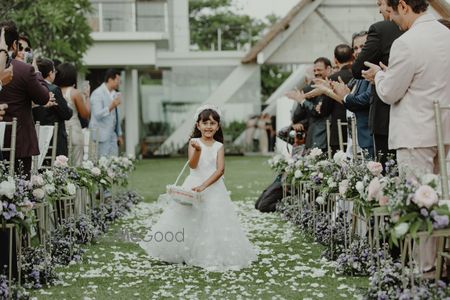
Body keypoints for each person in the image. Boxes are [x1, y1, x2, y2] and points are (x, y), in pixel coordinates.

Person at [363, 0, 450, 274]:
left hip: (415, 133)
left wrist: (379, 76)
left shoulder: (406, 42)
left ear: (402, 5)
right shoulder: (447, 35)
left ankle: (425, 269)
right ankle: (444, 265)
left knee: (419, 203)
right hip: (445, 128)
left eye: (389, 9)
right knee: (443, 201)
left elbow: (390, 92)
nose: (389, 18)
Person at [140, 105, 257, 272]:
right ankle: (182, 252)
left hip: (213, 187)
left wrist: (204, 185)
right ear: (198, 125)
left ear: (218, 126)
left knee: (213, 221)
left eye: (213, 123)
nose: (209, 126)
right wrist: (198, 151)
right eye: (205, 123)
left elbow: (220, 170)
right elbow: (193, 164)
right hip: (193, 184)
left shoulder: (219, 146)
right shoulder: (193, 143)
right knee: (187, 218)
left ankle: (211, 254)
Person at [352, 0, 403, 167]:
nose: (380, 10)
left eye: (380, 3)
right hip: (423, 115)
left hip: (386, 114)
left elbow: (358, 67)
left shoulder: (381, 29)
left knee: (388, 172)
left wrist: (379, 74)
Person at [0, 20, 50, 176]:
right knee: (21, 192)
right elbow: (43, 98)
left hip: (7, 140)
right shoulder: (24, 70)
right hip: (19, 144)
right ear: (14, 45)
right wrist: (36, 71)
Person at [33, 58, 73, 157]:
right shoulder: (53, 89)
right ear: (50, 73)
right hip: (54, 137)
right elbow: (66, 113)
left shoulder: (32, 87)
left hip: (36, 135)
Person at [54, 62, 90, 166]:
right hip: (74, 130)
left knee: (60, 164)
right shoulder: (75, 93)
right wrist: (87, 97)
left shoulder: (55, 90)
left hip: (60, 132)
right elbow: (85, 114)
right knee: (76, 165)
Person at [89, 69, 123, 157]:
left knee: (114, 162)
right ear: (110, 80)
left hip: (112, 134)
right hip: (101, 134)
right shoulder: (97, 93)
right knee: (102, 162)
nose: (119, 83)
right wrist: (111, 106)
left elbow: (117, 116)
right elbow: (97, 114)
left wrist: (119, 134)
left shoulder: (115, 94)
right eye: (117, 80)